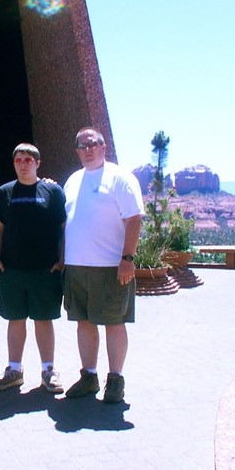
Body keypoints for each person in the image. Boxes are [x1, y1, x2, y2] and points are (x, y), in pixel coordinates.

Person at [63, 127, 144, 403]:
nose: (87, 149)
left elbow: (133, 219)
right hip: (76, 268)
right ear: (77, 150)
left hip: (111, 268)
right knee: (83, 323)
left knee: (114, 322)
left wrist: (127, 259)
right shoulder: (73, 181)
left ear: (103, 147)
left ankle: (116, 380)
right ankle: (89, 377)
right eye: (82, 145)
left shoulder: (120, 178)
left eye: (92, 144)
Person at [0, 143, 66, 394]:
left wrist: (62, 258)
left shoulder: (53, 191)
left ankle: (48, 370)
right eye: (18, 160)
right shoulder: (4, 192)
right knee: (15, 319)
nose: (23, 164)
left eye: (28, 160)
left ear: (38, 163)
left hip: (45, 269)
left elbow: (64, 228)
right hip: (12, 269)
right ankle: (14, 371)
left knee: (43, 320)